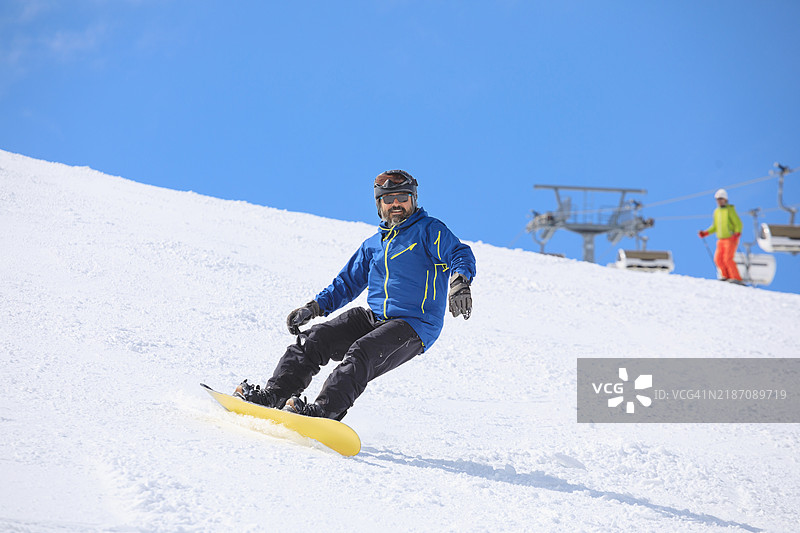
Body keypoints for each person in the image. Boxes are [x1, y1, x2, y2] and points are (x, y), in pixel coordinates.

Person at [235, 170, 477, 420]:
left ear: (413, 200)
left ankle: (324, 412)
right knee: (316, 339)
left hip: (414, 324)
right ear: (379, 203)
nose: (396, 204)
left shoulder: (428, 230)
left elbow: (460, 253)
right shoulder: (374, 244)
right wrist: (315, 307)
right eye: (389, 198)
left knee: (362, 352)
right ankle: (274, 395)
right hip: (375, 317)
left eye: (403, 197)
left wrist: (460, 282)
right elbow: (347, 283)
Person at [698, 188, 743, 282]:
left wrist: (737, 233)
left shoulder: (730, 210)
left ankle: (736, 278)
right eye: (718, 199)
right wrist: (705, 233)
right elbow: (715, 226)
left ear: (725, 200)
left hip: (730, 238)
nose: (719, 201)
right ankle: (725, 276)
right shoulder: (717, 212)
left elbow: (738, 223)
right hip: (721, 240)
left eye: (721, 199)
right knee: (718, 259)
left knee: (728, 258)